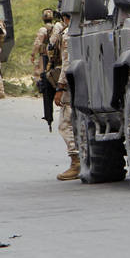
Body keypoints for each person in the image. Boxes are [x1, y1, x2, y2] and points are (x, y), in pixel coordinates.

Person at [49, 12, 79, 180]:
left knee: (65, 124)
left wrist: (60, 87)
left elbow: (67, 63)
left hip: (70, 85)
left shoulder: (68, 34)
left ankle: (77, 162)